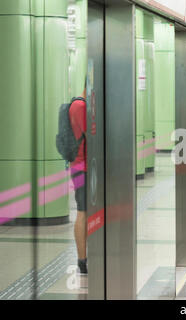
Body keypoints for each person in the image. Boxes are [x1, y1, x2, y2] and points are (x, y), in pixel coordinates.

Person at [69, 84, 88, 275]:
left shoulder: (77, 104)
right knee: (83, 211)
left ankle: (84, 258)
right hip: (83, 168)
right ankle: (82, 260)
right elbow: (93, 136)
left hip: (80, 166)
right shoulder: (81, 107)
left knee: (86, 211)